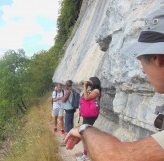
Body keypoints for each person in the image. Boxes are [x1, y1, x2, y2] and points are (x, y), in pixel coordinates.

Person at [64, 8, 164, 161]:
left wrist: (84, 129)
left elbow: (117, 157)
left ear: (158, 58)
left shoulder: (96, 91)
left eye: (141, 60)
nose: (143, 70)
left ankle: (84, 155)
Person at [76, 77, 101, 161]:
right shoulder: (92, 90)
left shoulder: (96, 91)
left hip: (91, 115)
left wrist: (85, 87)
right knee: (85, 133)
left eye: (90, 82)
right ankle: (86, 153)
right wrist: (86, 87)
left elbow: (86, 98)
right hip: (87, 114)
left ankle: (85, 154)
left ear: (94, 83)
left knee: (85, 134)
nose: (88, 83)